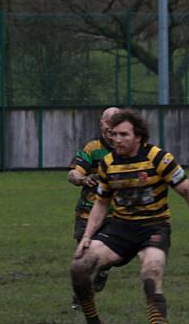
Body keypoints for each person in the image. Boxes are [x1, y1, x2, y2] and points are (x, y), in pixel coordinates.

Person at [70, 109, 189, 324]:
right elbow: (101, 203)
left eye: (123, 135)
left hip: (154, 228)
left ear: (138, 136)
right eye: (113, 134)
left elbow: (187, 192)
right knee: (79, 265)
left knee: (151, 273)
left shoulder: (159, 158)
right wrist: (87, 236)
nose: (116, 139)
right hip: (121, 228)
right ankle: (93, 320)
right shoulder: (108, 163)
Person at [67, 107, 119, 307]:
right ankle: (80, 299)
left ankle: (104, 270)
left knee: (107, 258)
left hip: (116, 215)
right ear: (102, 124)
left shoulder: (127, 148)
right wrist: (82, 179)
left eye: (117, 122)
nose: (112, 128)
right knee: (84, 258)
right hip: (87, 212)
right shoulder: (92, 148)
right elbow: (73, 173)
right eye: (109, 122)